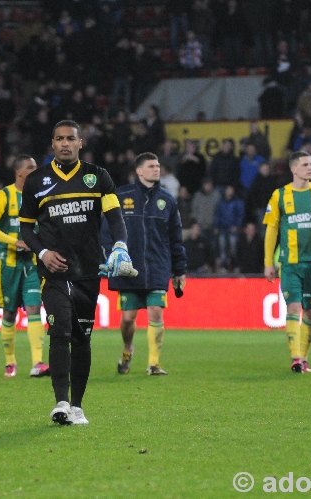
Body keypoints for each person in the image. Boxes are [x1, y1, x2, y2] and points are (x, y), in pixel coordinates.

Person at [19, 120, 136, 426]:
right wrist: (43, 253)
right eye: (59, 139)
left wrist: (120, 244)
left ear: (81, 143)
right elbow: (25, 228)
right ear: (52, 143)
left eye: (71, 139)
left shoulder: (98, 177)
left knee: (82, 338)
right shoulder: (36, 181)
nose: (65, 144)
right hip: (53, 271)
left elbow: (114, 216)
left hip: (88, 269)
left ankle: (78, 406)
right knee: (60, 330)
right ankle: (60, 402)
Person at [103, 153, 187, 377]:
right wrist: (109, 254)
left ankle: (154, 363)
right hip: (129, 269)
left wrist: (179, 270)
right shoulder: (121, 196)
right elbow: (106, 228)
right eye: (151, 166)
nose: (156, 169)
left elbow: (175, 238)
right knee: (128, 317)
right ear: (139, 171)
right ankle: (128, 348)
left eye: (158, 166)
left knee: (156, 311)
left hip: (158, 266)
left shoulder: (167, 200)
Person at [263, 150, 311, 374]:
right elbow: (271, 230)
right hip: (290, 264)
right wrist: (269, 262)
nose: (310, 168)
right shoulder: (280, 195)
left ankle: (304, 358)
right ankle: (295, 358)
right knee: (294, 307)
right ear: (293, 169)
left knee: (309, 312)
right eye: (305, 164)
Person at [0, 154, 49, 378]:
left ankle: (38, 362)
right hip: (9, 264)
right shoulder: (4, 196)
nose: (35, 171)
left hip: (32, 264)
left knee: (34, 308)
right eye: (31, 168)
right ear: (19, 172)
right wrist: (15, 241)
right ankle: (10, 362)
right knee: (9, 314)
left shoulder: (40, 197)